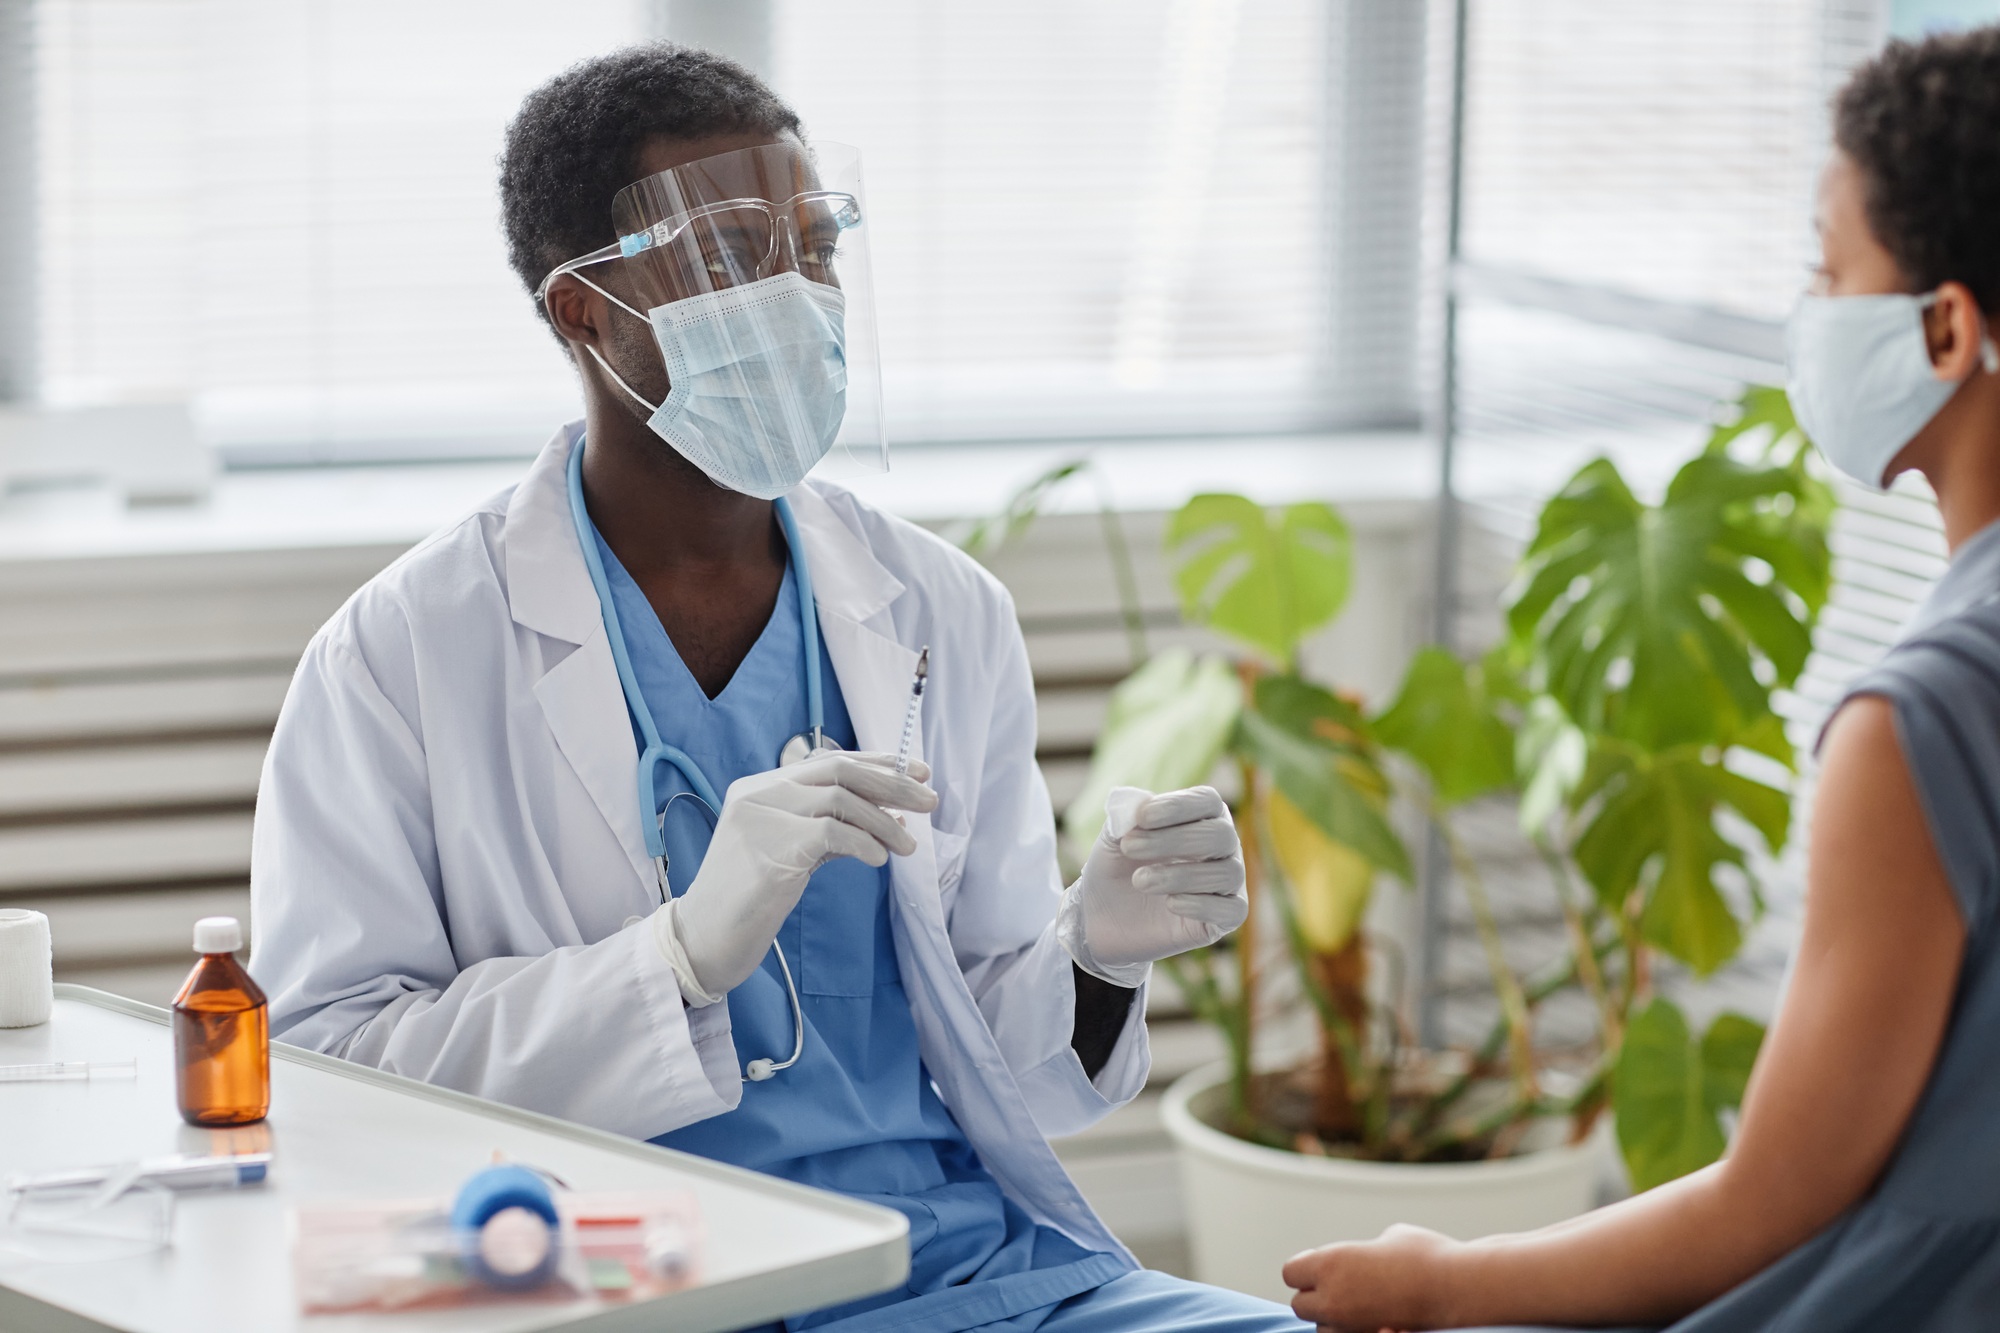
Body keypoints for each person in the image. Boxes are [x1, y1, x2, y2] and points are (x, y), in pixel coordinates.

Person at [249, 44, 1312, 1333]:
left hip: (956, 1270)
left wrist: (1092, 953)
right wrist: (679, 959)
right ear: (581, 312)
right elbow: (330, 1075)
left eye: (815, 244)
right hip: (618, 1286)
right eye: (727, 255)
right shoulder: (400, 656)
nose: (797, 293)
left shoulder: (938, 610)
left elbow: (1005, 1071)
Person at [1282, 26, 2000, 1333]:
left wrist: (1442, 1280)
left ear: (1945, 326)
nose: (1808, 314)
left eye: (1825, 271)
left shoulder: (1926, 717)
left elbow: (1772, 1199)